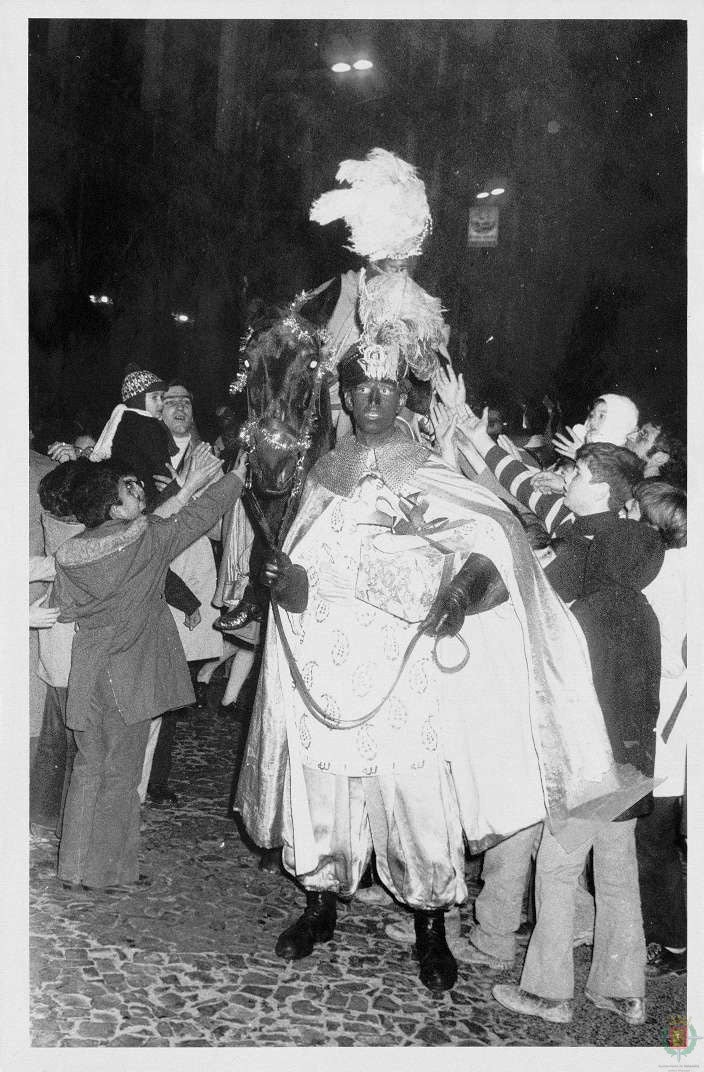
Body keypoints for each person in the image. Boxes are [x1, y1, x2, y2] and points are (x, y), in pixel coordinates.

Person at [235, 335, 650, 995]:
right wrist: (282, 583)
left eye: (387, 387)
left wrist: (460, 593)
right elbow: (305, 580)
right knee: (324, 790)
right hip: (324, 672)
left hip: (406, 672)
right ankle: (319, 904)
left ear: (403, 395)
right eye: (360, 388)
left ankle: (431, 924)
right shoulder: (319, 479)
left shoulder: (431, 469)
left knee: (413, 794)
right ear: (343, 396)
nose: (373, 397)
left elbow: (496, 544)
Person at [459, 406, 663, 1026]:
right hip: (634, 746)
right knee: (618, 867)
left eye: (574, 477)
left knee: (558, 861)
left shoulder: (582, 550)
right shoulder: (638, 547)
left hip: (590, 748)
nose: (564, 485)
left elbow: (523, 593)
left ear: (598, 488)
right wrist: (480, 440)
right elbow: (541, 499)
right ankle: (621, 988)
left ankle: (548, 991)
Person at [53, 448, 247, 891]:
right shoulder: (144, 541)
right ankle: (105, 873)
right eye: (130, 488)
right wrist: (234, 477)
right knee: (122, 774)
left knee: (89, 767)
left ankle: (73, 867)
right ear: (114, 507)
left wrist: (184, 484)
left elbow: (68, 604)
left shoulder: (74, 551)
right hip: (131, 676)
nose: (139, 490)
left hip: (87, 674)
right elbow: (197, 518)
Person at [144, 381, 225, 805]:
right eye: (170, 401)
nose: (179, 407)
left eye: (187, 401)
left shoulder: (208, 457)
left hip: (191, 569)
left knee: (178, 679)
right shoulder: (143, 451)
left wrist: (187, 490)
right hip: (151, 572)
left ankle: (156, 779)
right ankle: (139, 775)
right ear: (157, 410)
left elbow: (216, 528)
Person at [633, 481, 687, 977]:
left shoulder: (666, 575)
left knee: (651, 843)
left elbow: (674, 660)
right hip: (669, 726)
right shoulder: (678, 566)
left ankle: (670, 943)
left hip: (668, 729)